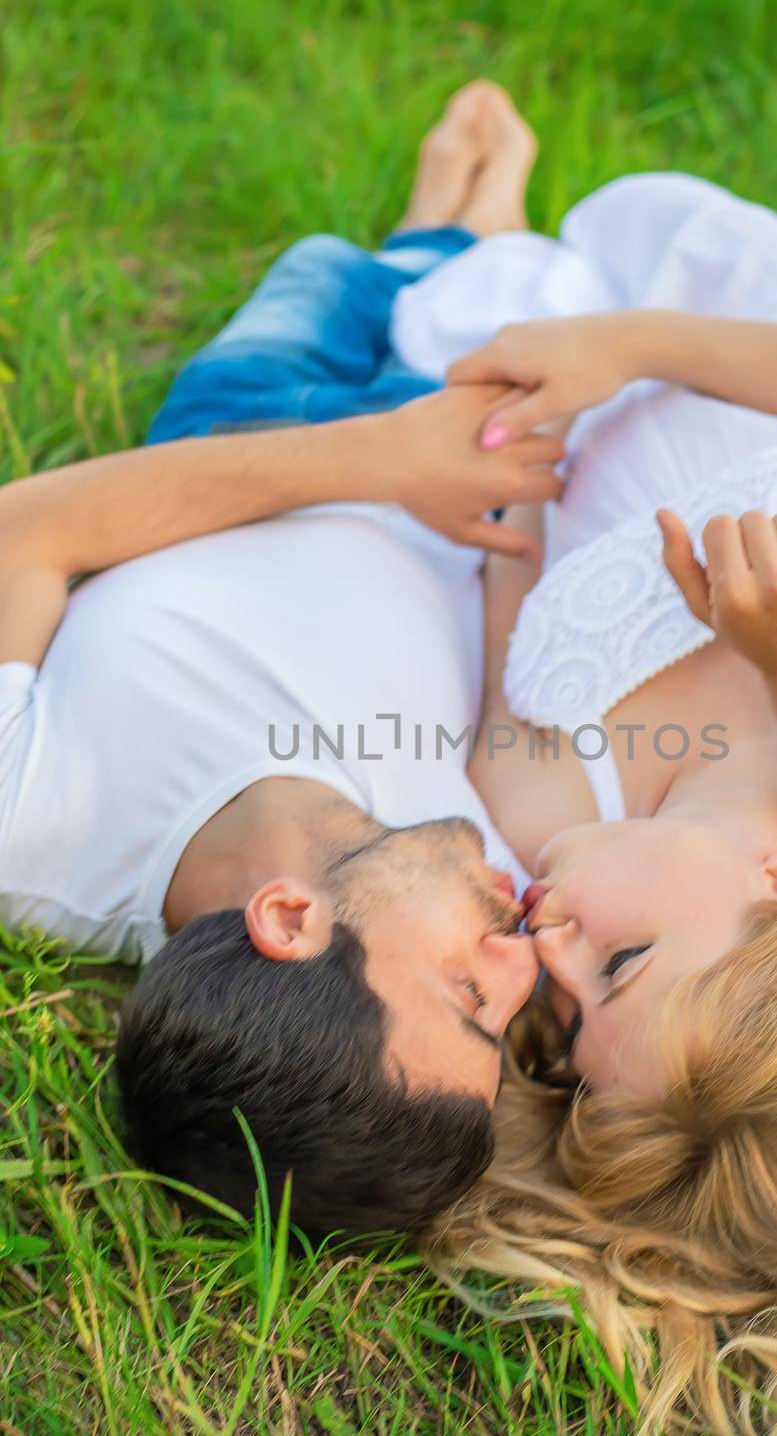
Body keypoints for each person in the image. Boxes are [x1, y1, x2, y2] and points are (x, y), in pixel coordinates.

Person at [381, 172, 777, 1436]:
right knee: (633, 211)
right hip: (776, 361)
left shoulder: (531, 806)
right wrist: (630, 344)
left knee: (451, 312)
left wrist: (507, 418)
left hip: (582, 438)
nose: (542, 945)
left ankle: (473, 220)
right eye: (624, 961)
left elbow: (506, 547)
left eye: (567, 1013)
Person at [0, 85, 566, 1236]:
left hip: (247, 434)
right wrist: (518, 492)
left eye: (466, 996)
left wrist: (377, 451)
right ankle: (473, 219)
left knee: (320, 275)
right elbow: (518, 690)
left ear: (291, 917)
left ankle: (425, 228)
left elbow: (29, 534)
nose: (517, 969)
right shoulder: (470, 858)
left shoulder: (31, 826)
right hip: (454, 502)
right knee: (499, 298)